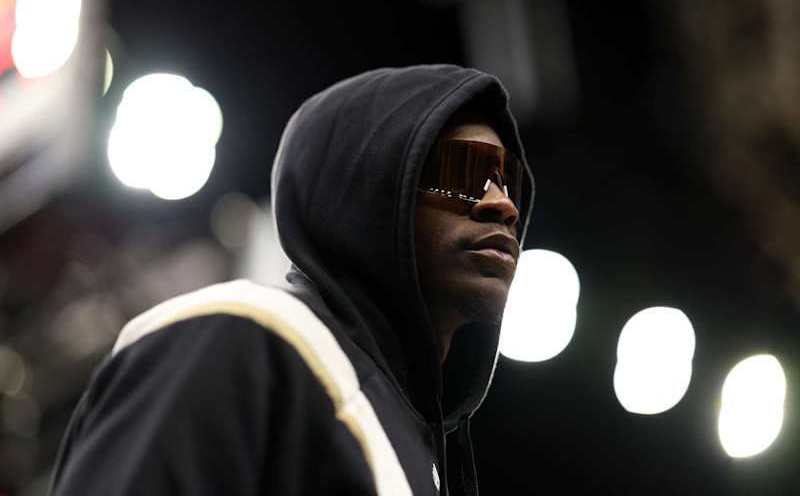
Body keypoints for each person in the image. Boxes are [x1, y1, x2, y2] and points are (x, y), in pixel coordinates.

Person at [48, 64, 535, 495]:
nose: (504, 205)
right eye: (462, 172)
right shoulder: (242, 339)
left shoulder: (418, 456)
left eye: (507, 180)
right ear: (366, 187)